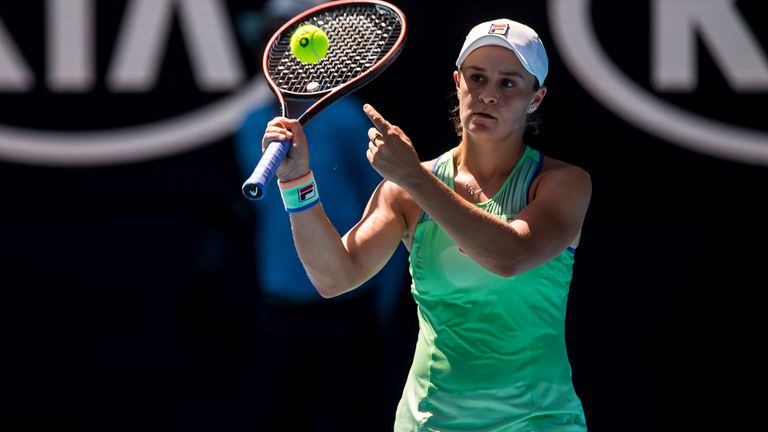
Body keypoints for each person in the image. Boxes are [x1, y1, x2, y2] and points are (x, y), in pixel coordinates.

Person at [258, 17, 592, 431]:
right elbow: (334, 277)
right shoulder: (403, 191)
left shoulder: (563, 184)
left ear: (535, 97)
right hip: (428, 422)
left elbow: (509, 256)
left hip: (540, 421)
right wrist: (296, 181)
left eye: (508, 84)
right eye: (477, 77)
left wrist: (415, 178)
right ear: (458, 81)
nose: (487, 94)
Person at [234, 1, 409, 430]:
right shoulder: (250, 125)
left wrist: (383, 302)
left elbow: (389, 210)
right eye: (270, 37)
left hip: (348, 311)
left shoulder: (350, 122)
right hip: (277, 311)